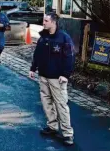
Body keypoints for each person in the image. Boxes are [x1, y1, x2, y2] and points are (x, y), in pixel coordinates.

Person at [29, 12, 75, 146]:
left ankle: (67, 134)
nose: (43, 23)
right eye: (44, 21)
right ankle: (52, 126)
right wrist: (33, 68)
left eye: (46, 21)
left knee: (61, 105)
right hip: (43, 76)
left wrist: (65, 74)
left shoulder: (64, 38)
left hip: (57, 78)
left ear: (53, 22)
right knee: (46, 102)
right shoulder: (43, 37)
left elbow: (70, 57)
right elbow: (37, 54)